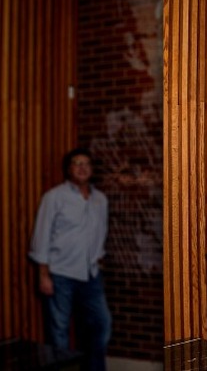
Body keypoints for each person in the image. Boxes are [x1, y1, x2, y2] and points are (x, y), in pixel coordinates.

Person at [29, 148, 112, 371]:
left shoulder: (100, 200)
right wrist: (43, 275)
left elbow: (101, 232)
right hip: (60, 275)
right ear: (68, 169)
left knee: (101, 326)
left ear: (92, 169)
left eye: (86, 163)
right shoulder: (54, 197)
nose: (82, 167)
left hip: (91, 275)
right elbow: (42, 235)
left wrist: (98, 259)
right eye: (76, 163)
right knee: (59, 332)